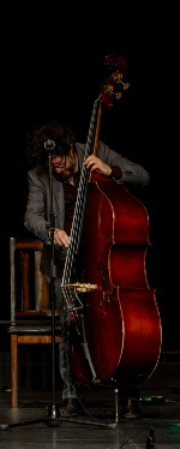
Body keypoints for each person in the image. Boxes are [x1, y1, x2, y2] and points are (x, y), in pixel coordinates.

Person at [24, 120, 149, 419]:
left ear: (70, 150)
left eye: (61, 162)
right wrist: (51, 231)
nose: (57, 168)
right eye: (51, 164)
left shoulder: (97, 151)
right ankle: (71, 395)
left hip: (102, 257)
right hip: (65, 261)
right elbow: (31, 216)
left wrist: (111, 171)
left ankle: (130, 395)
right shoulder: (38, 175)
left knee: (121, 325)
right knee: (68, 326)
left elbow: (143, 176)